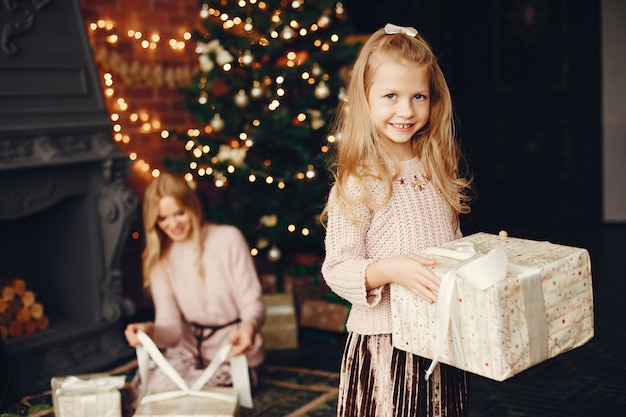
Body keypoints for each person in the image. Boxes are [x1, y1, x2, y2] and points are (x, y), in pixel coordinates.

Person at [321, 23, 477, 417]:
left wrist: (484, 254)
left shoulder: (437, 168)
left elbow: (450, 245)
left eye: (418, 96)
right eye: (391, 95)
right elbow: (336, 268)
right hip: (387, 345)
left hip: (440, 335)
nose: (406, 110)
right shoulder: (358, 181)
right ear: (365, 98)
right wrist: (390, 269)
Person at [124, 171, 265, 404]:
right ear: (154, 222)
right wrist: (150, 330)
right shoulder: (160, 260)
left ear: (192, 206)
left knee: (197, 403)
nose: (173, 224)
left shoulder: (228, 238)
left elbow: (252, 301)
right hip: (188, 352)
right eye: (163, 218)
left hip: (233, 352)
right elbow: (170, 329)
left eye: (179, 213)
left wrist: (248, 327)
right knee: (152, 397)